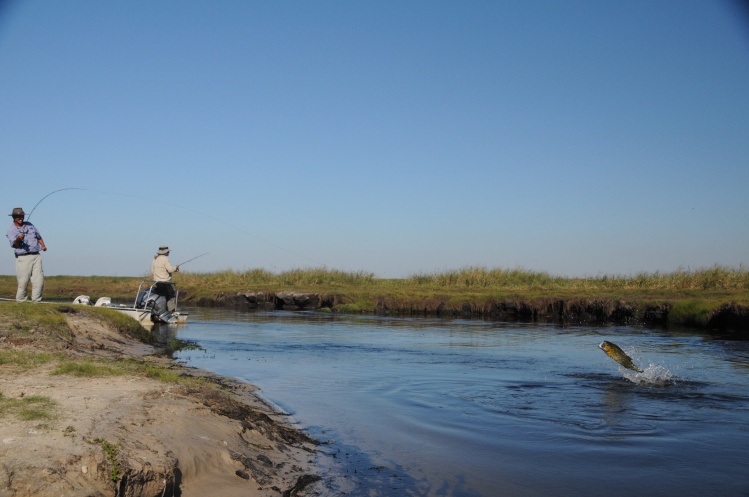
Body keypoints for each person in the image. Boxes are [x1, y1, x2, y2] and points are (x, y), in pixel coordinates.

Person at [6, 207, 47, 302]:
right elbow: (14, 245)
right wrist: (18, 239)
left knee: (39, 281)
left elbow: (38, 236)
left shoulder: (30, 225)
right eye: (18, 216)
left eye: (22, 216)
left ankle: (36, 301)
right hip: (23, 258)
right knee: (23, 282)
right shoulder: (11, 230)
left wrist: (43, 246)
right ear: (14, 217)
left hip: (36, 255)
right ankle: (21, 301)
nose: (21, 218)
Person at [151, 246, 179, 313]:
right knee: (171, 295)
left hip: (157, 281)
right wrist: (176, 267)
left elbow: (152, 270)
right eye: (168, 252)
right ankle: (171, 312)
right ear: (165, 252)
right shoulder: (165, 259)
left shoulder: (155, 259)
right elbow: (170, 269)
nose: (168, 253)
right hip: (166, 282)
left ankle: (161, 310)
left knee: (162, 294)